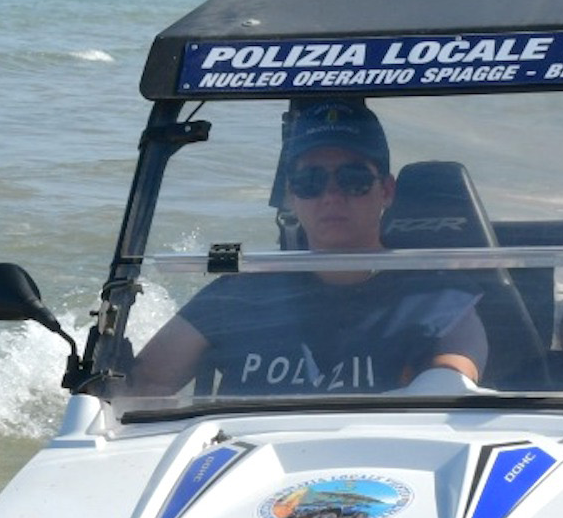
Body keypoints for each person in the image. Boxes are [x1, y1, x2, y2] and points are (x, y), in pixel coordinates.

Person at [129, 99, 487, 395]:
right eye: (310, 181)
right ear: (291, 194)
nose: (331, 195)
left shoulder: (440, 302)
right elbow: (143, 384)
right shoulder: (237, 294)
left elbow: (448, 387)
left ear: (387, 191)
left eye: (354, 179)